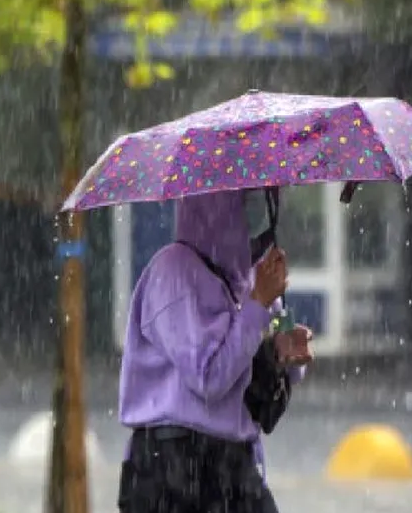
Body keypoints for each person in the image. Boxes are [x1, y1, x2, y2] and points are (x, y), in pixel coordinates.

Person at [117, 187, 313, 513]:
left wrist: (288, 349)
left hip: (234, 463)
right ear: (218, 207)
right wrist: (257, 305)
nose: (258, 212)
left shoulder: (252, 276)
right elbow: (209, 377)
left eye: (264, 199)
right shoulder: (173, 272)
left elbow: (278, 346)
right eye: (246, 201)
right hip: (172, 467)